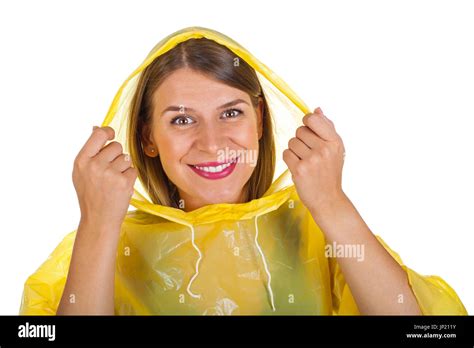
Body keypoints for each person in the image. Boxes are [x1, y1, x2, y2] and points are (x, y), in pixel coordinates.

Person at [20, 27, 467, 315]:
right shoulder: (109, 248)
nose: (212, 143)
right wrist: (97, 225)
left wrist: (332, 202)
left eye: (230, 113)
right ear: (146, 139)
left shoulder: (317, 232)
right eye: (181, 119)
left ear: (259, 120)